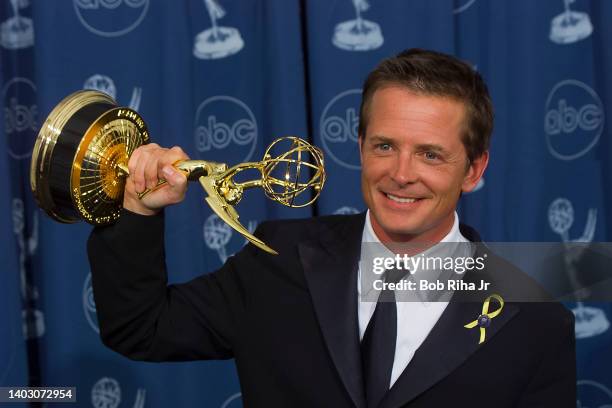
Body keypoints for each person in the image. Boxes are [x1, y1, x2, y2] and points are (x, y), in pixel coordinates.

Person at [88, 49, 576, 407]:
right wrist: (138, 209)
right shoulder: (277, 260)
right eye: (385, 146)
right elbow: (140, 328)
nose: (401, 173)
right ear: (360, 146)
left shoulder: (535, 321)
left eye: (430, 154)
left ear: (473, 169)